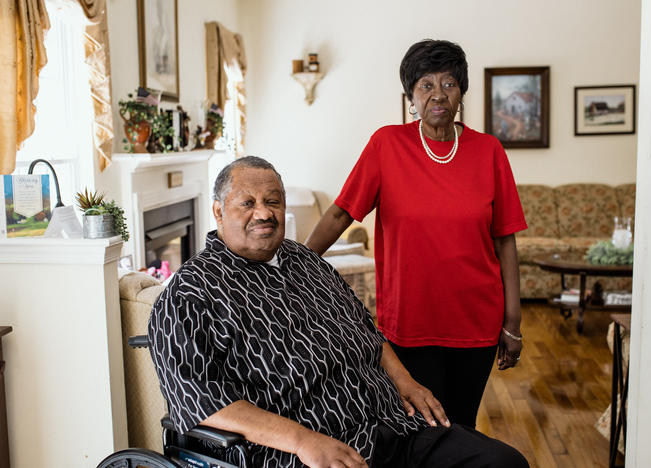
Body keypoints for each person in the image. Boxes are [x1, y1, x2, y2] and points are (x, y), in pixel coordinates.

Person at [148, 156, 528, 468]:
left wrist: (406, 381)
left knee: (503, 463)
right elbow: (196, 398)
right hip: (307, 451)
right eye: (247, 203)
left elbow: (367, 332)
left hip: (393, 425)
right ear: (218, 211)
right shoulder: (190, 292)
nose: (263, 213)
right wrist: (304, 441)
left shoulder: (307, 261)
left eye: (273, 202)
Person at [306, 39, 527, 429]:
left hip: (475, 323)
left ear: (462, 92)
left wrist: (513, 322)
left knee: (462, 426)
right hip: (410, 323)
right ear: (410, 95)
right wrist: (296, 265)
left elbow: (504, 238)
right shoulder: (387, 145)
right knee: (420, 430)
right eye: (426, 85)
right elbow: (341, 213)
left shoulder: (488, 151)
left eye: (449, 84)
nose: (438, 94)